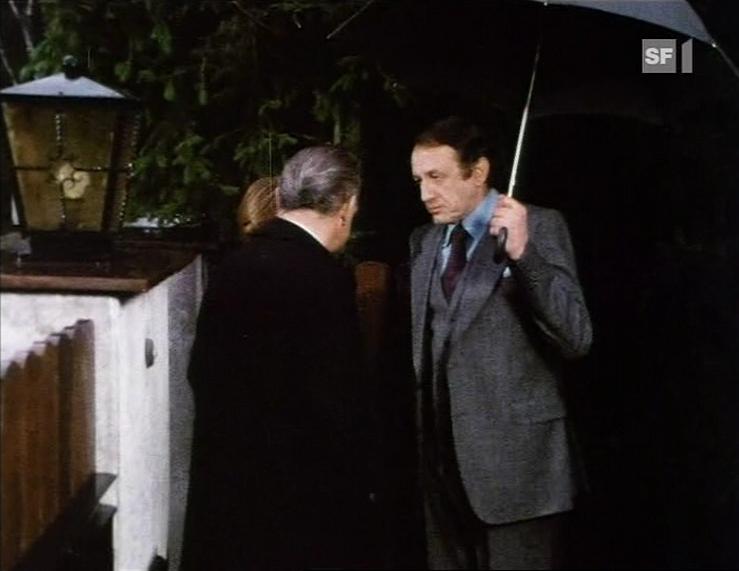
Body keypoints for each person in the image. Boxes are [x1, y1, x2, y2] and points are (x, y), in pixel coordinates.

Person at [181, 145, 379, 570]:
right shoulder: (324, 279)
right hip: (297, 505)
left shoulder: (233, 266)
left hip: (227, 490)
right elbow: (337, 403)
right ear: (346, 205)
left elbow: (201, 373)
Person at [408, 116, 593, 570]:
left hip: (519, 472)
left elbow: (576, 336)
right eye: (419, 180)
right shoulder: (424, 241)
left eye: (437, 177)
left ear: (479, 171)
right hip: (442, 472)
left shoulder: (539, 225)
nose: (425, 194)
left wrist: (525, 255)